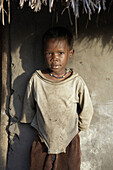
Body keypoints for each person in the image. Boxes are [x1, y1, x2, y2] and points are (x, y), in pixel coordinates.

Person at [20, 27, 93, 170]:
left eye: (60, 53)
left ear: (70, 53)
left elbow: (87, 108)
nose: (55, 58)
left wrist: (79, 128)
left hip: (69, 140)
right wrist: (35, 127)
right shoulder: (37, 80)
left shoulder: (75, 82)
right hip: (42, 139)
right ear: (43, 53)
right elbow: (28, 106)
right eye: (49, 53)